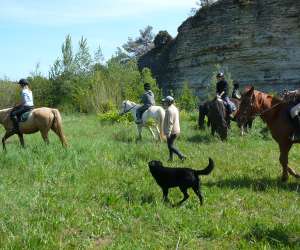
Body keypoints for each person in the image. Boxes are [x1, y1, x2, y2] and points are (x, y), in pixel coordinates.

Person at [162, 96, 186, 161]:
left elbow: (170, 122)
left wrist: (168, 133)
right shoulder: (175, 108)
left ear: (168, 102)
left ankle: (181, 155)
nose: (164, 103)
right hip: (176, 130)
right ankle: (171, 158)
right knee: (170, 145)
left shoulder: (169, 110)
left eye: (165, 101)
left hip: (172, 131)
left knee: (170, 146)